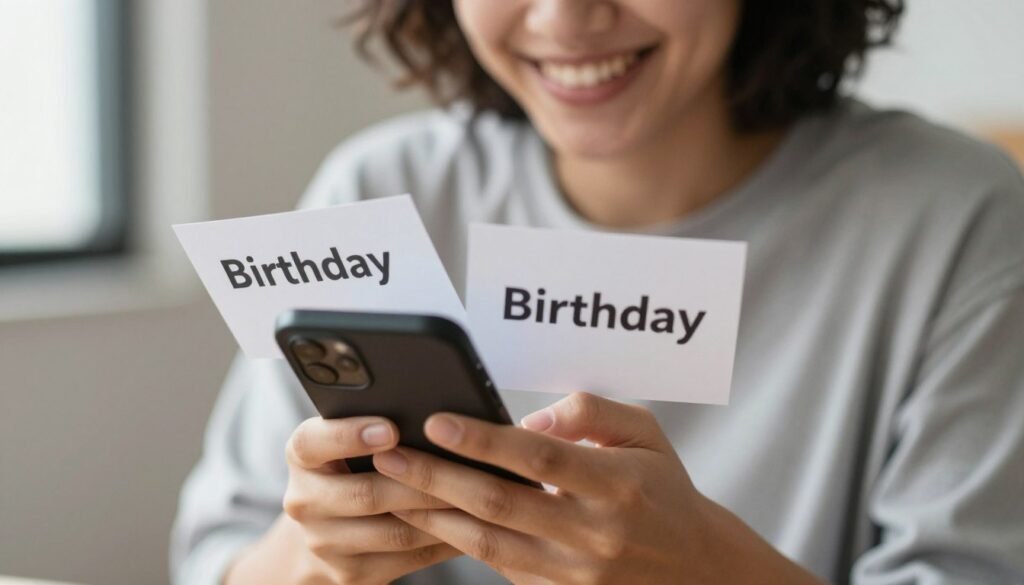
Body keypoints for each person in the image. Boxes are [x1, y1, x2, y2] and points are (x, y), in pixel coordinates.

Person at [171, 1, 1024, 583]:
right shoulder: (383, 186)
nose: (566, 18)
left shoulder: (958, 218)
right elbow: (217, 556)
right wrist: (315, 554)